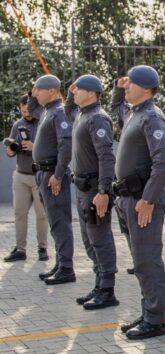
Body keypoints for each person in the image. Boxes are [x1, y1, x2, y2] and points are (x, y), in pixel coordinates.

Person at [111, 65, 165, 340]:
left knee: (147, 260)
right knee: (139, 259)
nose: (126, 87)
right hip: (128, 199)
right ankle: (148, 311)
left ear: (146, 89)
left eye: (131, 84)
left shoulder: (152, 117)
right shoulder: (133, 113)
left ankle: (155, 320)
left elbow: (164, 163)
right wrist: (118, 84)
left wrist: (148, 199)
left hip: (142, 202)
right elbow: (116, 105)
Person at [65, 75, 120, 310]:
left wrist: (104, 190)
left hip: (94, 189)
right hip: (81, 188)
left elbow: (106, 157)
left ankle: (107, 290)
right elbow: (68, 109)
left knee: (101, 239)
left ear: (91, 93)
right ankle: (99, 283)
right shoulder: (81, 114)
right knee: (89, 240)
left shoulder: (97, 118)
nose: (75, 92)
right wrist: (69, 93)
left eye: (79, 90)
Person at [31, 74, 75, 285]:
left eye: (38, 90)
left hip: (52, 174)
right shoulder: (46, 111)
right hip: (43, 174)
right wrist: (33, 93)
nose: (35, 93)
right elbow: (31, 109)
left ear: (51, 91)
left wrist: (58, 174)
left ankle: (66, 268)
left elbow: (65, 146)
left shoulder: (59, 112)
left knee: (60, 221)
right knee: (54, 221)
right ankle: (60, 263)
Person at [3, 93, 48, 263]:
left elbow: (51, 147)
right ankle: (20, 249)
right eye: (23, 111)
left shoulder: (43, 122)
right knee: (19, 213)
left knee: (41, 215)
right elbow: (11, 148)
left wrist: (33, 146)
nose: (26, 114)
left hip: (38, 176)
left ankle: (42, 248)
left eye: (28, 111)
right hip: (20, 175)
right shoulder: (17, 124)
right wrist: (11, 151)